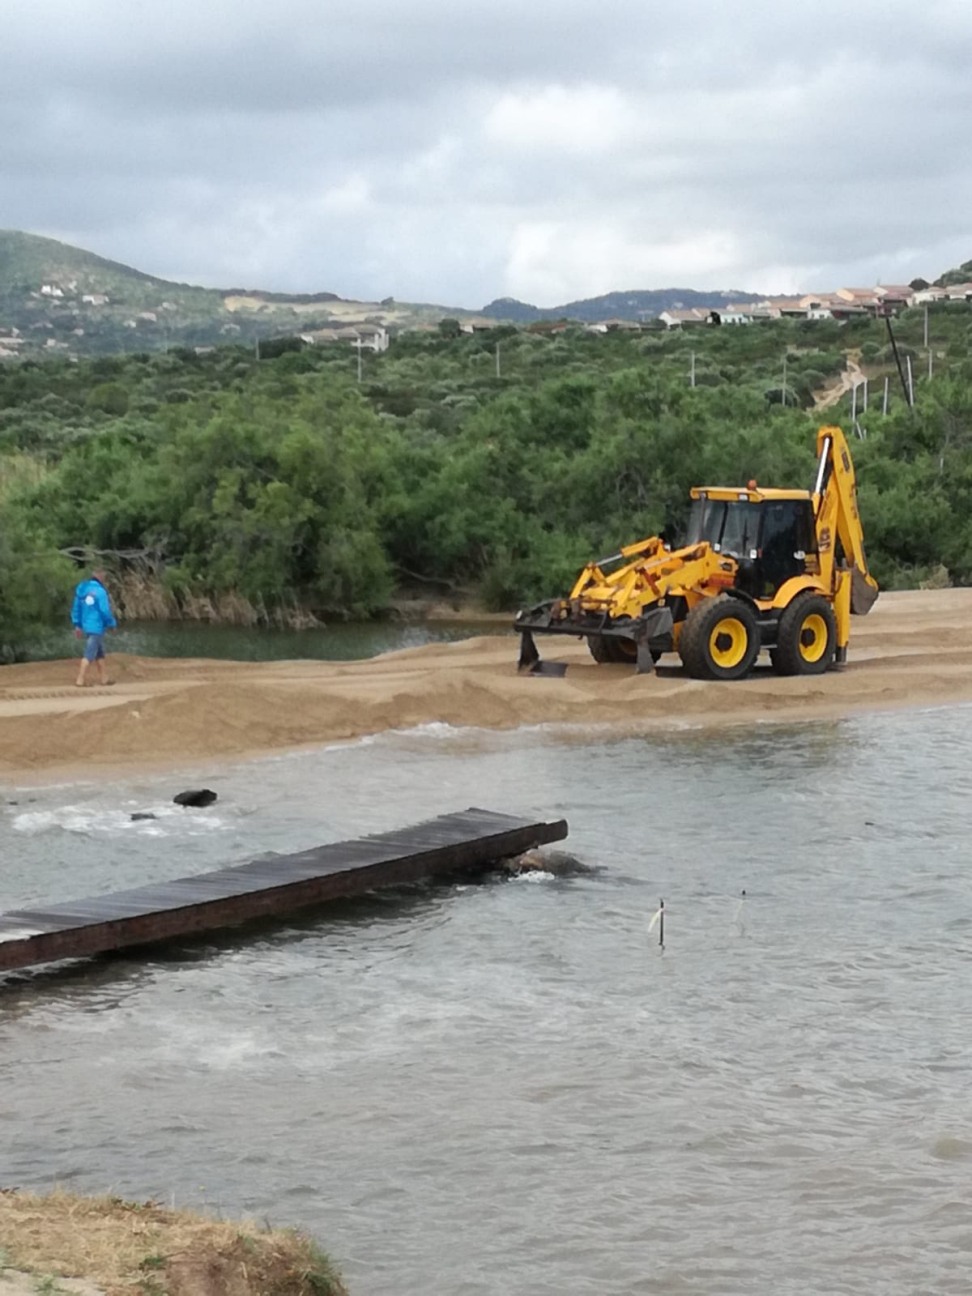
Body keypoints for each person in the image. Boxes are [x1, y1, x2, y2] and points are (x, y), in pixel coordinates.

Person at [71, 569, 117, 687]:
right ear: (100, 576)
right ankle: (80, 679)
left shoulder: (82, 589)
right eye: (104, 575)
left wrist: (77, 624)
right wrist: (111, 623)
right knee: (90, 653)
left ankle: (104, 678)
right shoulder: (100, 592)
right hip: (96, 626)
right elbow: (104, 610)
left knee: (99, 652)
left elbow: (77, 608)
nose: (104, 578)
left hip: (86, 624)